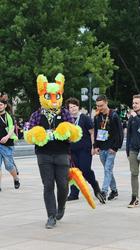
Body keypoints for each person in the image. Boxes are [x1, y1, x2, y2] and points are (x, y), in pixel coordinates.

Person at [25, 74, 82, 229]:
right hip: (43, 155)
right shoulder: (36, 114)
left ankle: (61, 206)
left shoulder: (64, 113)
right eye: (48, 96)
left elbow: (74, 132)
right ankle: (51, 215)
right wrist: (37, 134)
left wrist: (66, 131)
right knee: (48, 185)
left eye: (56, 96)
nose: (53, 99)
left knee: (63, 185)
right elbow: (28, 134)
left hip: (62, 153)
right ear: (42, 95)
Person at [65, 98, 105, 204]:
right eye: (70, 107)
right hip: (72, 150)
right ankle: (74, 193)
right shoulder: (67, 120)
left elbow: (92, 132)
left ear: (78, 107)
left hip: (85, 149)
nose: (73, 109)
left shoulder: (84, 118)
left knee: (85, 170)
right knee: (74, 172)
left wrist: (93, 146)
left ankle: (95, 186)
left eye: (74, 106)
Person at [93, 95, 123, 201]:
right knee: (108, 170)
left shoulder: (114, 115)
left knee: (107, 169)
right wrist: (95, 146)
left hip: (111, 148)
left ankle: (104, 192)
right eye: (97, 106)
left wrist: (115, 147)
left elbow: (120, 133)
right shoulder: (97, 117)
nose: (99, 108)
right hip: (101, 148)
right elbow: (96, 132)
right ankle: (114, 191)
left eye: (101, 105)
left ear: (106, 103)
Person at [0, 97, 20, 192]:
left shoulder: (9, 116)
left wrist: (7, 137)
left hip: (7, 144)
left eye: (1, 105)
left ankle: (16, 178)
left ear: (5, 105)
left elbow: (12, 128)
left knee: (9, 165)